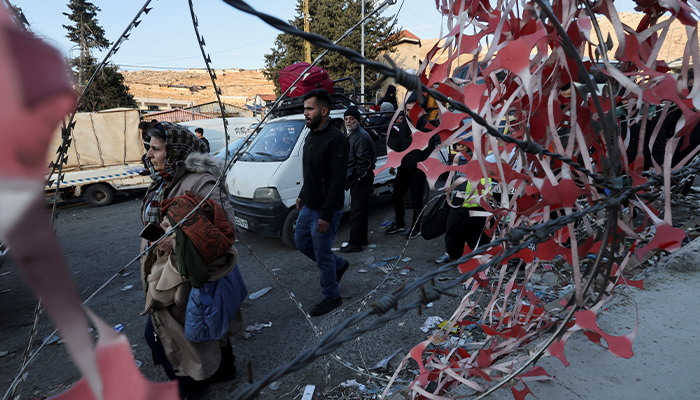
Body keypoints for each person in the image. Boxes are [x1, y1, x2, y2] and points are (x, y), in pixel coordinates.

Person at [140, 124, 247, 400]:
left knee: (158, 335)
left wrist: (174, 240)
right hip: (167, 267)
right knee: (209, 327)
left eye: (155, 149)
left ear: (174, 151)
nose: (149, 154)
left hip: (182, 272)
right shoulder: (166, 179)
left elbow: (225, 229)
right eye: (148, 148)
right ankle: (225, 370)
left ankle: (191, 388)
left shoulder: (200, 182)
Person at [295, 89, 350, 317]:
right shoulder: (311, 135)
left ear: (324, 111)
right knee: (301, 242)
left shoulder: (337, 140)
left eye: (310, 109)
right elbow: (311, 172)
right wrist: (302, 193)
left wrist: (326, 216)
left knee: (323, 254)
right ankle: (338, 265)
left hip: (326, 209)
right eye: (305, 109)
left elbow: (337, 182)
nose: (305, 113)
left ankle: (332, 297)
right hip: (308, 205)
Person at [385, 92, 441, 239]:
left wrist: (420, 161)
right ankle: (399, 223)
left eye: (412, 109)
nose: (409, 113)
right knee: (397, 196)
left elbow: (433, 144)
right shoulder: (405, 123)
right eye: (407, 110)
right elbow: (399, 143)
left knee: (416, 201)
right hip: (403, 167)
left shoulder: (426, 124)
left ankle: (416, 228)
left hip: (417, 169)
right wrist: (393, 162)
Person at [340, 106, 376, 253]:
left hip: (361, 180)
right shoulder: (353, 134)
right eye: (347, 119)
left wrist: (356, 178)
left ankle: (355, 243)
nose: (348, 121)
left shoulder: (360, 136)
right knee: (360, 211)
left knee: (356, 212)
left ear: (358, 121)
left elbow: (363, 162)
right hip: (359, 179)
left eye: (351, 119)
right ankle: (361, 240)